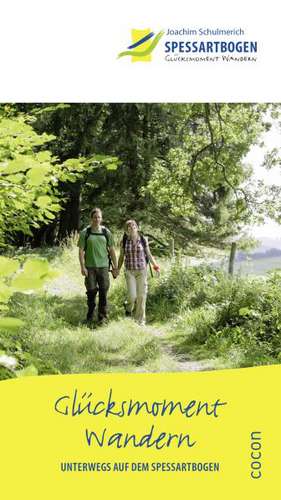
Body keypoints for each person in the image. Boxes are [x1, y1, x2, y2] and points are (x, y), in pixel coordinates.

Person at [78, 208, 118, 324]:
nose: (97, 219)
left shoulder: (106, 232)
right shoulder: (85, 232)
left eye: (99, 217)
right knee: (91, 291)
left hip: (104, 267)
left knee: (103, 291)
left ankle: (102, 317)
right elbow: (81, 251)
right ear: (91, 218)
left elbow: (112, 250)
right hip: (89, 267)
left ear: (101, 219)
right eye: (95, 217)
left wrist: (115, 267)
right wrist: (82, 267)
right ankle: (90, 316)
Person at [118, 219, 160, 326]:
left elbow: (149, 254)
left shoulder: (143, 239)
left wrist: (155, 266)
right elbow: (121, 256)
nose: (132, 228)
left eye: (134, 226)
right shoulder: (124, 241)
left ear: (137, 228)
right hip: (129, 271)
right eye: (129, 227)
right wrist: (117, 269)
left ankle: (140, 321)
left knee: (141, 296)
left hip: (142, 270)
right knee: (132, 296)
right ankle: (128, 308)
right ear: (126, 230)